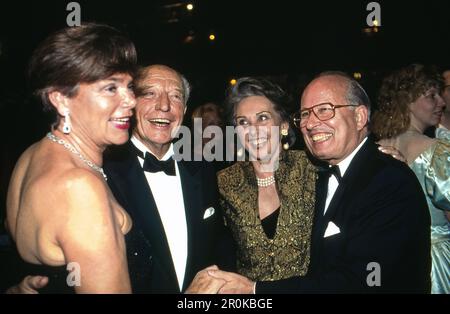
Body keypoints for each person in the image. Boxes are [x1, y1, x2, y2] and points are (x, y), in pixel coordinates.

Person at [208, 71, 431, 293]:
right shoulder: (223, 182)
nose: (312, 123)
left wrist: (256, 290)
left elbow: (365, 279)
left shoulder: (316, 170)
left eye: (325, 110)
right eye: (306, 114)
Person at [5, 23, 137, 293]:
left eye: (129, 86)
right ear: (61, 100)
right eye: (111, 88)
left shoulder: (30, 156)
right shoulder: (79, 189)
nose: (131, 101)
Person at [101, 64, 235, 293]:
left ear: (184, 110)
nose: (164, 105)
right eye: (150, 93)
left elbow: (217, 246)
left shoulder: (201, 168)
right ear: (130, 103)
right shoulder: (103, 173)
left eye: (175, 96)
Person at [216, 77, 316, 282]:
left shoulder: (311, 168)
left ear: (284, 125)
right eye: (243, 122)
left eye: (263, 118)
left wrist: (380, 155)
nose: (253, 129)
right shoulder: (223, 182)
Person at [372, 64, 450, 294]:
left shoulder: (374, 150)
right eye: (431, 96)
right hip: (434, 261)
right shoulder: (437, 151)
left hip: (390, 261)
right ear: (407, 101)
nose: (441, 102)